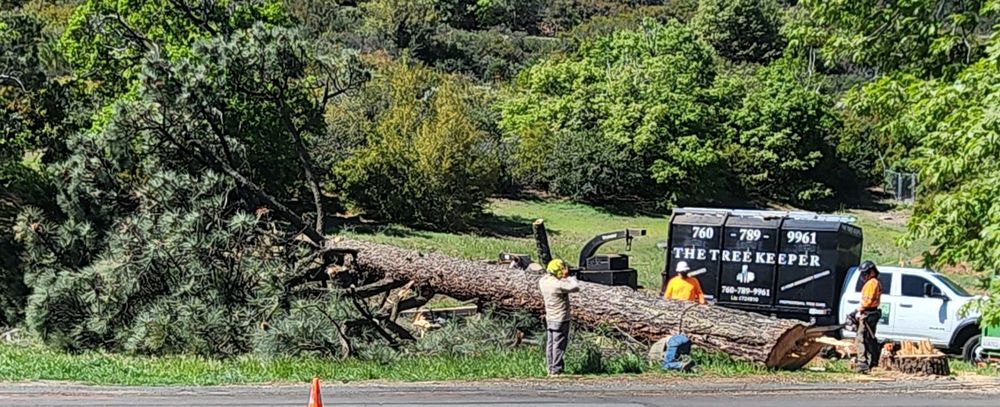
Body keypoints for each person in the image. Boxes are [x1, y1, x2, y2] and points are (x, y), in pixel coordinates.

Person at [538, 258, 580, 376]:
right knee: (559, 345)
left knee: (551, 344)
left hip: (550, 317)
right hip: (561, 318)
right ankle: (556, 370)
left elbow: (550, 278)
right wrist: (569, 277)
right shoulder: (557, 285)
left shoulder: (543, 281)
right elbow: (575, 287)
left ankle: (550, 368)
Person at [854, 260, 883, 373]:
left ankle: (862, 363)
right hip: (871, 312)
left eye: (865, 273)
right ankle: (873, 360)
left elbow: (867, 301)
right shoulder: (875, 282)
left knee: (861, 338)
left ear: (872, 272)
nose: (863, 276)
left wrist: (857, 310)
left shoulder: (871, 284)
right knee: (869, 338)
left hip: (868, 313)